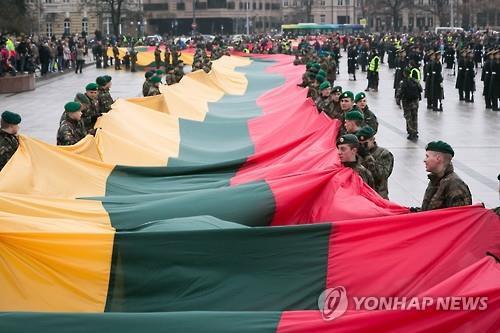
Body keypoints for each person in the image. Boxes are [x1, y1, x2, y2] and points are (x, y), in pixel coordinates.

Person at [418, 141, 472, 211]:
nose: (424, 160)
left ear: (438, 158)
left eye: (427, 156)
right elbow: (428, 211)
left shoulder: (455, 185)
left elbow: (460, 217)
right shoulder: (436, 179)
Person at [356, 126, 394, 199]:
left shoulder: (384, 154)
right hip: (362, 195)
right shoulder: (358, 154)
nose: (363, 147)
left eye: (365, 144)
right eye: (360, 144)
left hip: (378, 196)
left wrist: (367, 157)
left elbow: (381, 176)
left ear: (372, 140)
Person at [396, 68, 422, 141]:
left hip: (407, 102)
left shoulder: (402, 82)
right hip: (415, 101)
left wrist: (398, 101)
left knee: (408, 117)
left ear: (404, 73)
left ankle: (411, 132)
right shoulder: (415, 81)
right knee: (415, 116)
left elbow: (399, 92)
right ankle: (415, 131)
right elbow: (421, 89)